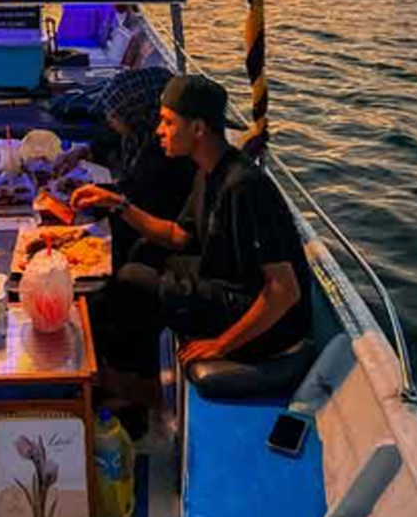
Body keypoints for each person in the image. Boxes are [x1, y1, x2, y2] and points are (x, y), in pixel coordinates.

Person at [72, 74, 310, 378]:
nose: (159, 131)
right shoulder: (208, 170)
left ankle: (139, 388)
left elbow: (284, 291)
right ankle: (128, 366)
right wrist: (117, 204)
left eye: (168, 123)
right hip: (230, 282)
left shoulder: (243, 187)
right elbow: (178, 236)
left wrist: (221, 345)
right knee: (144, 251)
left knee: (133, 280)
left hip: (273, 323)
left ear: (197, 128)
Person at [55, 68, 195, 266]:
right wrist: (83, 151)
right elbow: (112, 140)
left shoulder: (165, 154)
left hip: (151, 233)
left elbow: (137, 200)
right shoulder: (138, 134)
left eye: (114, 114)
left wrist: (94, 196)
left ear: (135, 113)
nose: (109, 119)